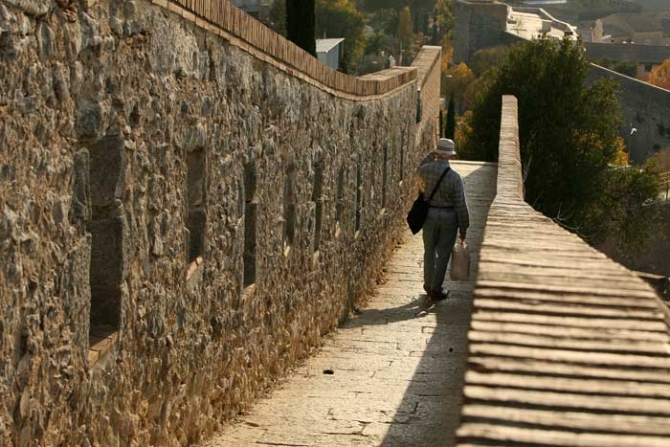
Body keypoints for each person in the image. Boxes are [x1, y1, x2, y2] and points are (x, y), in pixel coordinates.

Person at [417, 138, 470, 300]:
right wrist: (463, 227)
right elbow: (460, 204)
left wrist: (431, 154)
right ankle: (436, 288)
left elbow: (418, 167)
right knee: (444, 254)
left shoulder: (426, 170)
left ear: (437, 153)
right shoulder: (455, 178)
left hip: (430, 215)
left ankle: (427, 283)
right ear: (450, 156)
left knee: (429, 251)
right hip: (448, 217)